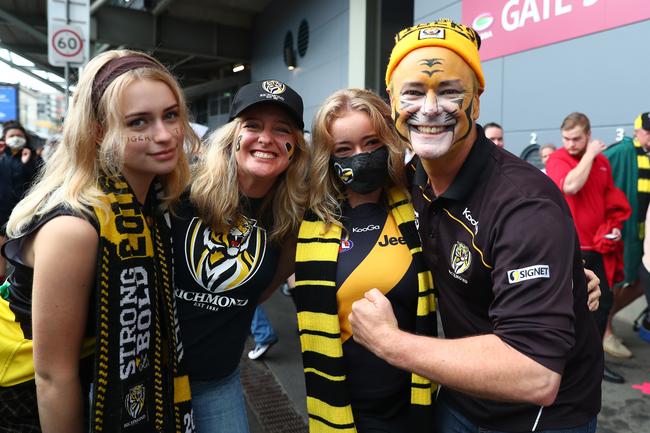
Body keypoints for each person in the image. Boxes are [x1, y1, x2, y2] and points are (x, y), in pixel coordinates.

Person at [349, 19, 603, 433]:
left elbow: (536, 373)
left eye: (449, 91)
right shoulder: (408, 179)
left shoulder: (523, 204)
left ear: (477, 102)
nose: (430, 108)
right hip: (458, 397)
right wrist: (567, 277)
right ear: (392, 102)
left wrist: (390, 343)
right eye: (413, 92)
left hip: (537, 419)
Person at [0, 50, 197, 432]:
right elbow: (53, 378)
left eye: (171, 115)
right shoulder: (74, 229)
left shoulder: (149, 204)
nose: (164, 134)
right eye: (138, 121)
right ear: (98, 131)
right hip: (25, 402)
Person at [294, 88, 436, 433]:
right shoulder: (307, 219)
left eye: (371, 143)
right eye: (344, 149)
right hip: (344, 407)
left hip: (414, 403)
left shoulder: (423, 205)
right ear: (328, 157)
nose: (361, 157)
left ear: (389, 140)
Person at [172, 80, 309, 433]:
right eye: (253, 126)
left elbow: (260, 291)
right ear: (233, 136)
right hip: (148, 378)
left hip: (216, 383)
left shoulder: (291, 217)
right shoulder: (181, 192)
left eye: (282, 130)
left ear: (295, 147)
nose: (266, 138)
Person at [547, 112, 630, 383]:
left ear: (588, 135)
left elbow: (609, 201)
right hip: (570, 248)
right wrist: (589, 154)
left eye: (576, 139)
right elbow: (570, 186)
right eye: (566, 138)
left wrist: (613, 226)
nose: (570, 144)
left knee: (602, 303)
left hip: (598, 249)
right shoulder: (559, 158)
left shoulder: (603, 163)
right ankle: (561, 363)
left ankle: (594, 363)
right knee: (567, 306)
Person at [602, 112, 650, 354]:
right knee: (617, 282)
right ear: (638, 130)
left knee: (639, 281)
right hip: (621, 234)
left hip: (642, 238)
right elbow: (593, 170)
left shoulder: (646, 155)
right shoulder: (622, 152)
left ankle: (603, 325)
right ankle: (605, 329)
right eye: (648, 131)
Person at [0, 121, 41, 282]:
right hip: (2, 213)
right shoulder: (2, 156)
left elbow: (41, 181)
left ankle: (22, 287)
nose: (16, 139)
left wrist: (26, 165)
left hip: (27, 214)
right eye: (12, 136)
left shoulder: (34, 157)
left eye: (19, 136)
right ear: (4, 139)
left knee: (24, 253)